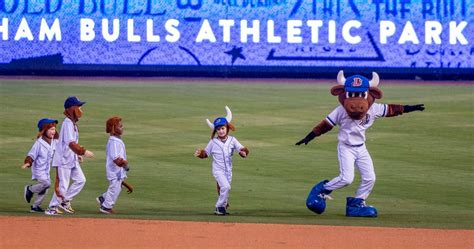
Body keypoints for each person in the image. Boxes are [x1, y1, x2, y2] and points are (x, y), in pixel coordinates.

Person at [296, 71, 425, 217]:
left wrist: (411, 108)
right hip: (346, 148)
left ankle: (356, 203)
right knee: (346, 178)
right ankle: (322, 189)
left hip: (361, 148)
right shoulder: (341, 110)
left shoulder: (373, 108)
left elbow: (392, 109)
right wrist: (309, 136)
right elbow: (325, 125)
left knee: (370, 177)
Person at [194, 106, 249, 215]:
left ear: (227, 128)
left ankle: (223, 207)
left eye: (223, 128)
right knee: (226, 187)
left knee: (225, 190)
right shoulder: (213, 142)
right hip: (218, 170)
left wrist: (243, 153)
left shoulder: (233, 140)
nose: (221, 131)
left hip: (228, 170)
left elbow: (242, 148)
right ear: (216, 131)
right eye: (218, 129)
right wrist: (200, 153)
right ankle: (219, 207)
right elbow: (206, 153)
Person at [45, 96, 95, 215]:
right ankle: (51, 208)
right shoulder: (67, 123)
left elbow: (70, 143)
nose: (81, 110)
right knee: (62, 185)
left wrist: (76, 155)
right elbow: (70, 143)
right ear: (72, 109)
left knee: (81, 180)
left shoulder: (73, 124)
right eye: (79, 107)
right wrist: (83, 151)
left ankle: (65, 200)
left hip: (71, 158)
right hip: (63, 160)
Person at [96, 116, 133, 214]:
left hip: (117, 171)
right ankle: (106, 207)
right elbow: (116, 158)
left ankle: (103, 198)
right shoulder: (113, 141)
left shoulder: (116, 140)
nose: (122, 128)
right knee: (114, 188)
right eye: (119, 126)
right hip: (114, 170)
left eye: (122, 126)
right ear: (113, 128)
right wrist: (124, 164)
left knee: (117, 186)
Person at [22, 118, 59, 213]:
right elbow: (31, 154)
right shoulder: (39, 143)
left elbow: (63, 148)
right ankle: (30, 189)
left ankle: (35, 206)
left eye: (54, 129)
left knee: (45, 187)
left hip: (46, 170)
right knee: (47, 184)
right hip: (38, 169)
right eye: (51, 129)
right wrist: (28, 163)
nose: (53, 131)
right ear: (44, 130)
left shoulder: (55, 141)